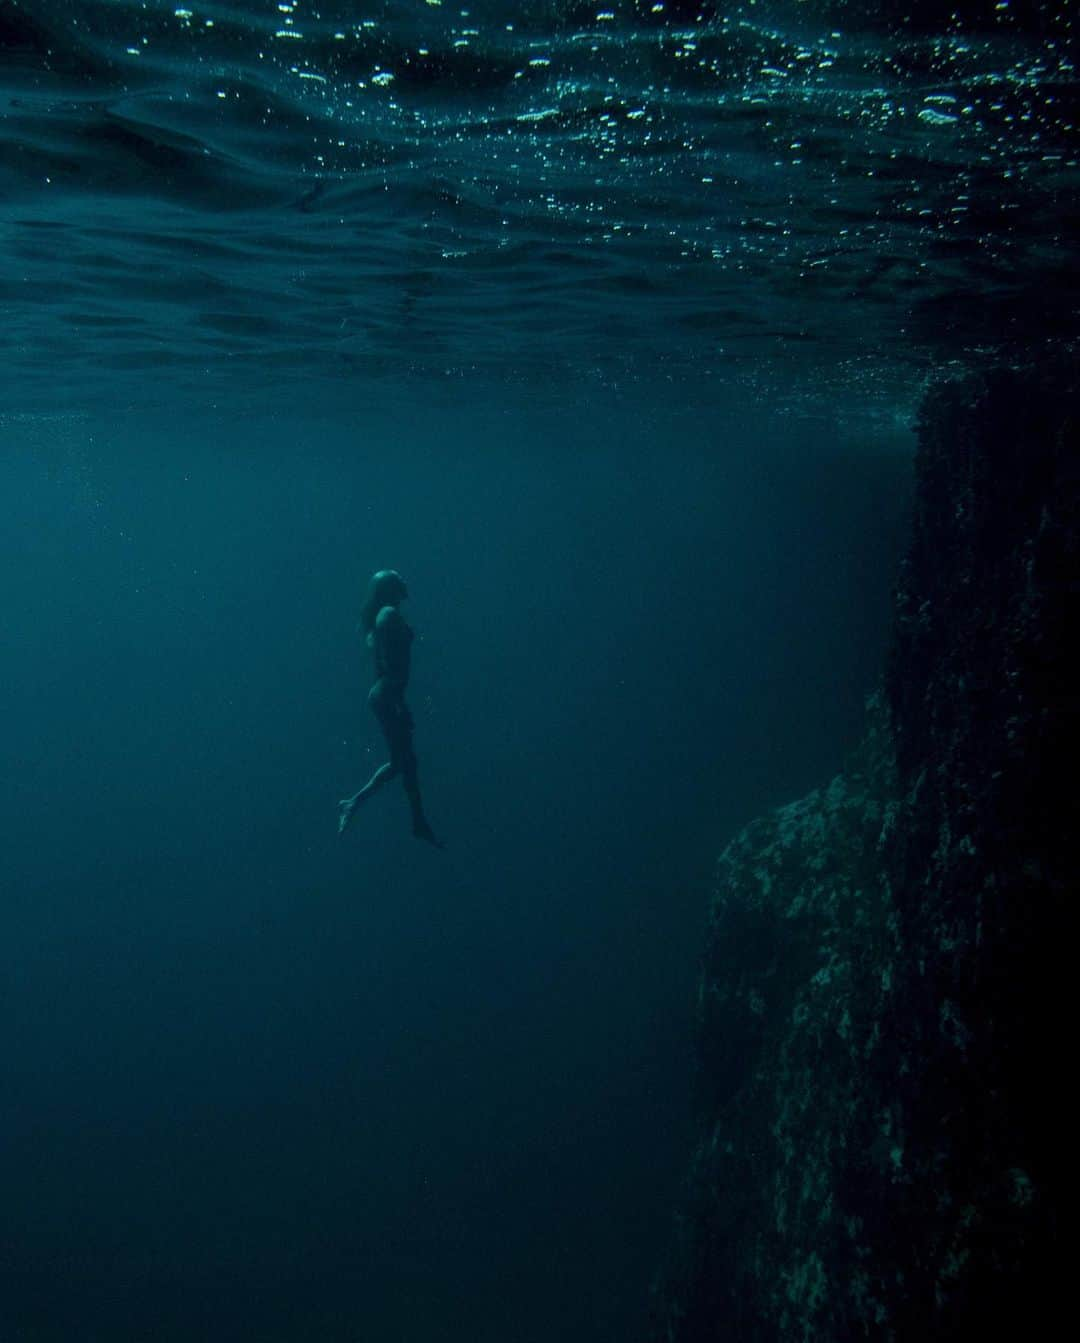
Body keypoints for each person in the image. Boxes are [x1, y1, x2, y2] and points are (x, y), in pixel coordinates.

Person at [338, 569, 443, 847]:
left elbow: (382, 666)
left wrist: (397, 699)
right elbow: (388, 664)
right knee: (404, 761)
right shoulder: (387, 616)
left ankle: (412, 819)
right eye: (398, 579)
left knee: (405, 762)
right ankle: (412, 820)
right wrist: (398, 702)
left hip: (386, 695)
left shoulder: (379, 619)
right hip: (388, 696)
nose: (404, 581)